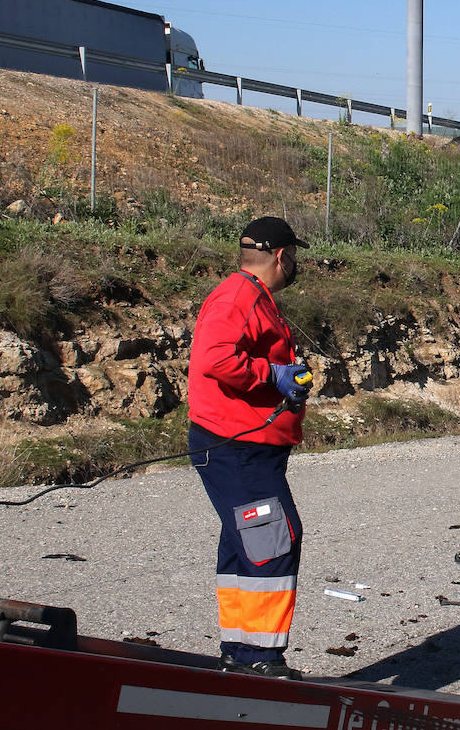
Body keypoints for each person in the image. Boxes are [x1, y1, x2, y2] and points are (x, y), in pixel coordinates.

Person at [187, 216, 313, 678]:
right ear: (281, 256)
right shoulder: (238, 296)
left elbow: (243, 358)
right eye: (294, 256)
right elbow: (215, 357)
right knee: (272, 541)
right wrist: (273, 376)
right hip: (234, 447)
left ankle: (241, 650)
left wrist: (285, 381)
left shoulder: (252, 297)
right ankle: (258, 658)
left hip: (247, 446)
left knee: (246, 544)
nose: (295, 264)